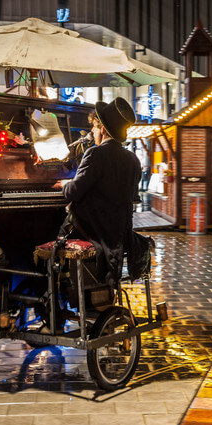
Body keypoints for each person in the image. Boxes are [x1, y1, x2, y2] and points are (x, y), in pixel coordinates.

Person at [54, 97, 148, 285]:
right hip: (120, 232)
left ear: (103, 129)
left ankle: (61, 287)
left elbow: (73, 192)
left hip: (94, 231)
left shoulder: (95, 154)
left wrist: (65, 184)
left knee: (53, 228)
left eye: (94, 128)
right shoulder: (133, 159)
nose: (92, 132)